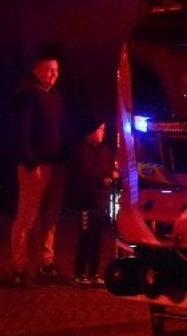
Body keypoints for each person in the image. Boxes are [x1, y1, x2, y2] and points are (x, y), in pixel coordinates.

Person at [11, 44, 67, 286]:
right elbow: (21, 131)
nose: (53, 74)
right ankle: (20, 268)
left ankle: (46, 262)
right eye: (49, 69)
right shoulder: (28, 95)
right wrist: (30, 163)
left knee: (50, 217)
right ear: (36, 70)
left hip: (54, 164)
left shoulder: (54, 96)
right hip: (35, 166)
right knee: (27, 217)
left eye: (56, 70)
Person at [68, 119, 118, 286]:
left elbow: (110, 168)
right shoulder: (81, 150)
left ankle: (94, 272)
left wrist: (112, 174)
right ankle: (79, 273)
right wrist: (102, 178)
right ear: (91, 130)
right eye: (100, 129)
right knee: (85, 236)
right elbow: (85, 172)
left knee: (97, 237)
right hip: (87, 201)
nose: (103, 133)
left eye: (104, 129)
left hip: (101, 200)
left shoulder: (105, 149)